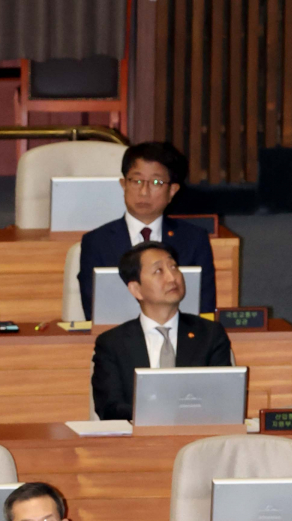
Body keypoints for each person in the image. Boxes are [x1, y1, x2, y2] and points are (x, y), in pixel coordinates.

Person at [90, 241, 232, 422]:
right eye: (159, 271)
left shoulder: (210, 334)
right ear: (136, 289)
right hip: (136, 441)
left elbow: (224, 398)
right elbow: (109, 408)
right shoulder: (112, 343)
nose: (172, 277)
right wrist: (160, 414)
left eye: (174, 267)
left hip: (196, 436)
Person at [77, 140, 216, 319]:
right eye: (136, 181)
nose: (143, 191)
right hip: (118, 340)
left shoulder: (194, 239)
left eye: (156, 182)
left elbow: (204, 307)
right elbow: (92, 309)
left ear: (172, 190)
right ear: (123, 184)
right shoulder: (96, 242)